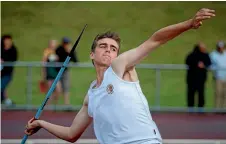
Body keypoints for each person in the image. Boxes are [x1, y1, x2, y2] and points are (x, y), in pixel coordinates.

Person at [25, 8, 215, 144]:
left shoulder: (119, 67)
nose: (108, 50)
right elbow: (71, 134)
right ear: (92, 54)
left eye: (113, 48)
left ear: (117, 55)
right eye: (103, 46)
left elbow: (155, 40)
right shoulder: (90, 96)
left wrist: (189, 24)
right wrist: (41, 123)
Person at [185, 42, 211, 112]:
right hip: (191, 79)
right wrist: (197, 64)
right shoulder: (191, 55)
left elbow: (209, 63)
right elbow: (187, 61)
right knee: (191, 94)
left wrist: (204, 65)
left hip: (201, 79)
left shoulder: (205, 55)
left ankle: (201, 109)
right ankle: (190, 109)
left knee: (201, 94)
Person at [55, 37, 78, 105]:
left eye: (67, 43)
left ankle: (66, 104)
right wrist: (66, 52)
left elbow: (75, 61)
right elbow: (58, 58)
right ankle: (55, 105)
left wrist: (71, 52)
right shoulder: (59, 49)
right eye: (65, 43)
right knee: (57, 89)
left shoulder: (71, 50)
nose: (66, 44)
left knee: (66, 88)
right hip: (57, 71)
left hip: (65, 71)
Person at [41, 40, 61, 105]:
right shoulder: (47, 52)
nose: (53, 46)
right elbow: (43, 62)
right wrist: (43, 74)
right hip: (49, 74)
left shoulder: (57, 52)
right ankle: (48, 106)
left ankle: (55, 104)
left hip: (56, 74)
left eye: (54, 45)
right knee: (50, 91)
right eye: (52, 44)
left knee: (58, 89)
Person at [1, 34, 18, 106]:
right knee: (2, 88)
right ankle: (8, 101)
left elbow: (13, 60)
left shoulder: (13, 50)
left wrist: (3, 61)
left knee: (1, 86)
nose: (7, 42)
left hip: (7, 73)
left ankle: (7, 101)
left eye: (9, 40)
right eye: (6, 40)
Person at [210, 41, 226, 108]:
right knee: (218, 93)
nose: (221, 49)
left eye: (222, 47)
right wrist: (215, 70)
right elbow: (211, 65)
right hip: (218, 77)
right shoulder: (213, 54)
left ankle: (224, 109)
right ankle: (217, 109)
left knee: (225, 94)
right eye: (219, 47)